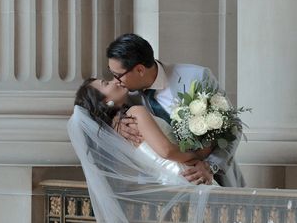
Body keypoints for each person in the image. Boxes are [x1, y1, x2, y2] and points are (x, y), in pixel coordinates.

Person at [105, 33, 245, 187]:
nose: (115, 81)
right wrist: (116, 121)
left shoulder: (196, 77)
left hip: (213, 179)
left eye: (118, 75)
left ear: (139, 70)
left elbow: (234, 126)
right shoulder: (127, 96)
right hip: (160, 184)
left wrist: (211, 165)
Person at [74, 77, 214, 184]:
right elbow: (167, 151)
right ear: (104, 102)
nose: (115, 81)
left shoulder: (116, 132)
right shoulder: (135, 113)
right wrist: (200, 157)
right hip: (187, 175)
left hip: (169, 183)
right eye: (106, 83)